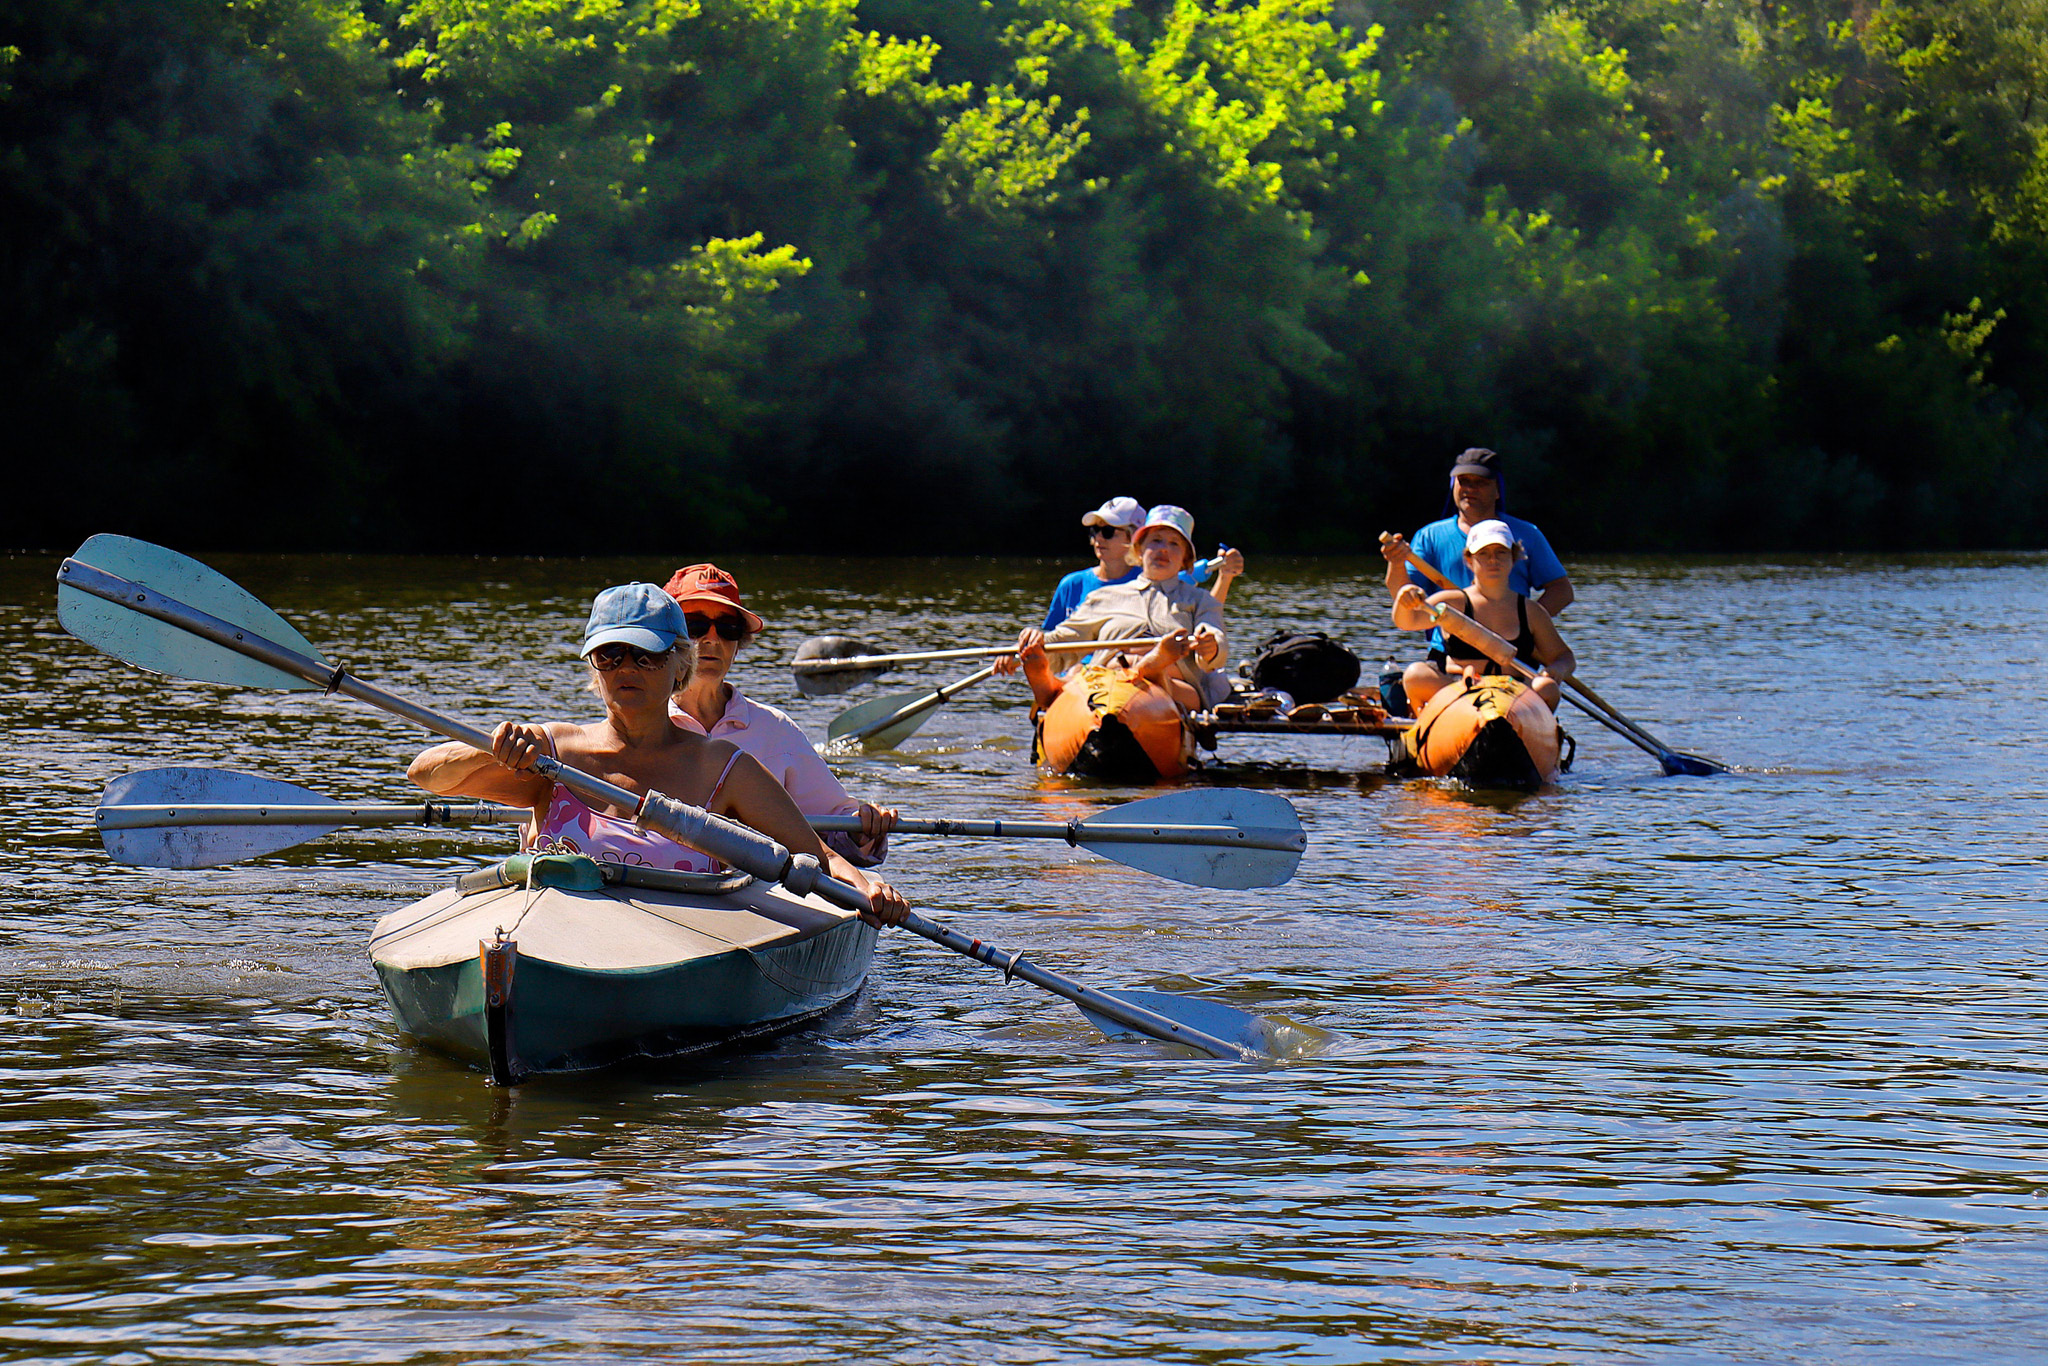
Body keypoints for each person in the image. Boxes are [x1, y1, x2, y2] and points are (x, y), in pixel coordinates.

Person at [406, 583, 908, 927]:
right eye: (610, 654)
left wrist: (867, 888)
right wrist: (497, 746)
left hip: (680, 941)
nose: (627, 667)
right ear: (594, 666)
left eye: (645, 654)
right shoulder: (556, 749)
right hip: (555, 936)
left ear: (679, 667)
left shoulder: (724, 766)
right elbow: (425, 776)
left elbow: (816, 856)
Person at [662, 562, 896, 868]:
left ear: (739, 642)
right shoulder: (642, 724)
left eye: (728, 628)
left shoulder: (776, 728)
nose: (713, 639)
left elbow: (836, 829)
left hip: (755, 894)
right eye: (695, 625)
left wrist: (864, 828)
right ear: (668, 638)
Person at [1003, 504, 1229, 713]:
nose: (1163, 550)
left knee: (1172, 683)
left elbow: (1214, 635)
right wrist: (1025, 648)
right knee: (1083, 677)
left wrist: (1210, 647)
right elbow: (1066, 638)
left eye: (1174, 544)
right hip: (1107, 680)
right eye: (1156, 541)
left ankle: (1152, 668)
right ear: (1139, 551)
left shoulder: (1201, 600)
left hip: (1173, 688)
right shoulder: (1105, 597)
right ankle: (1047, 683)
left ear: (1185, 559)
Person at [1390, 520, 1576, 713]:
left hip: (1514, 695)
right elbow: (1406, 622)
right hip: (1459, 692)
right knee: (1415, 674)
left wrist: (1557, 670)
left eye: (1501, 553)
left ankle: (1533, 735)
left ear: (1513, 559)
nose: (1493, 560)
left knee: (1547, 688)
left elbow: (1564, 656)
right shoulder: (1451, 602)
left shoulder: (1531, 611)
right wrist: (1405, 598)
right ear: (1469, 560)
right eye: (1484, 554)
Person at [1381, 447, 1574, 615]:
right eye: (1464, 481)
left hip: (1511, 649)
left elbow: (1561, 590)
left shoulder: (1527, 534)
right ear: (1453, 486)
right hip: (1449, 650)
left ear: (1498, 490)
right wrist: (1396, 564)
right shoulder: (1429, 537)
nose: (1470, 489)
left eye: (1480, 482)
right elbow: (1405, 596)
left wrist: (1528, 628)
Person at [1044, 496, 1246, 629]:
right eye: (1095, 531)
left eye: (1108, 531)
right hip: (1076, 678)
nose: (1099, 538)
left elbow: (1206, 610)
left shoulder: (1158, 580)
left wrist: (1225, 576)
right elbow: (1051, 638)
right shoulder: (1071, 584)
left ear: (1134, 538)